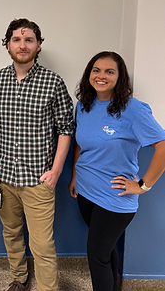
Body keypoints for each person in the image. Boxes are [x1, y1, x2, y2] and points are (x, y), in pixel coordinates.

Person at [0, 18, 74, 291]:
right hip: (2, 178)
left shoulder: (53, 82)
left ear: (38, 45)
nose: (22, 45)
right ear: (7, 45)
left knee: (42, 243)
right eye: (16, 40)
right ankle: (19, 279)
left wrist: (55, 171)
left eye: (29, 39)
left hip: (39, 180)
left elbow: (66, 128)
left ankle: (47, 287)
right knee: (11, 233)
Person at [68, 51, 165, 291]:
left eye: (109, 71)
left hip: (115, 196)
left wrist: (143, 185)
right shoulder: (84, 105)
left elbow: (162, 147)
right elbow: (80, 143)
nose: (101, 76)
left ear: (120, 77)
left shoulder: (134, 110)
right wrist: (74, 176)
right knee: (107, 250)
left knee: (97, 256)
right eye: (96, 70)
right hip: (85, 190)